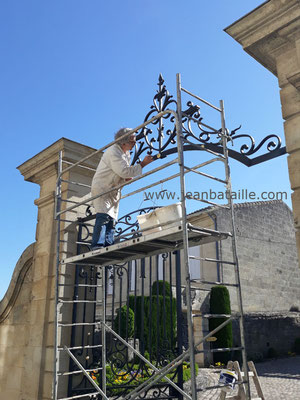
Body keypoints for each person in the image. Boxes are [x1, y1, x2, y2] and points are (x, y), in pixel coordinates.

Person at [90, 128, 153, 249]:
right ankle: (97, 245)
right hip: (103, 187)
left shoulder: (126, 154)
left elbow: (122, 173)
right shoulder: (113, 151)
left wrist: (125, 178)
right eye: (132, 141)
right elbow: (123, 171)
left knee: (112, 219)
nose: (135, 143)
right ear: (123, 142)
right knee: (103, 216)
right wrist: (142, 164)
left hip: (113, 189)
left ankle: (108, 244)